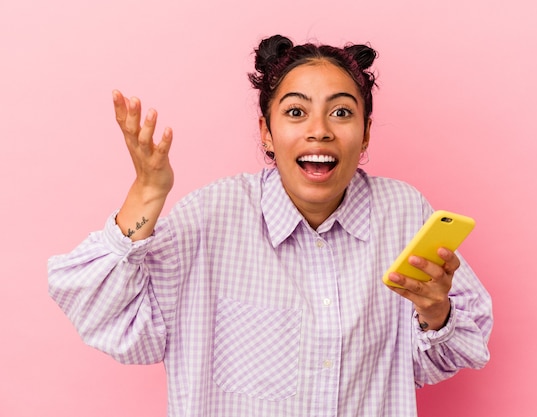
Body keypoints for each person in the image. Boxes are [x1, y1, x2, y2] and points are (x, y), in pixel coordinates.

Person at [48, 34, 493, 417]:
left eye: (341, 113)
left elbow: (454, 351)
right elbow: (106, 318)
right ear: (266, 131)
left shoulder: (403, 214)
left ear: (366, 133)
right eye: (296, 113)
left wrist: (436, 313)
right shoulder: (212, 215)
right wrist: (146, 192)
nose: (319, 131)